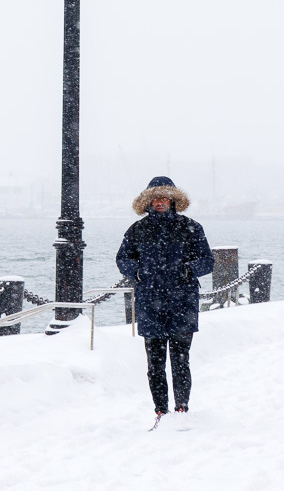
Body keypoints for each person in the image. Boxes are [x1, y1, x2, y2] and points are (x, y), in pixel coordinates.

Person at [116, 176, 214, 423]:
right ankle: (161, 409)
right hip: (150, 303)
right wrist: (137, 271)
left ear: (173, 200)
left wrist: (189, 269)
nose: (159, 202)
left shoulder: (190, 227)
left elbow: (207, 260)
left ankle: (182, 407)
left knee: (181, 359)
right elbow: (122, 259)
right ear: (147, 202)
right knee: (155, 364)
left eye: (164, 198)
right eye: (154, 198)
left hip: (183, 302)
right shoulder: (137, 230)